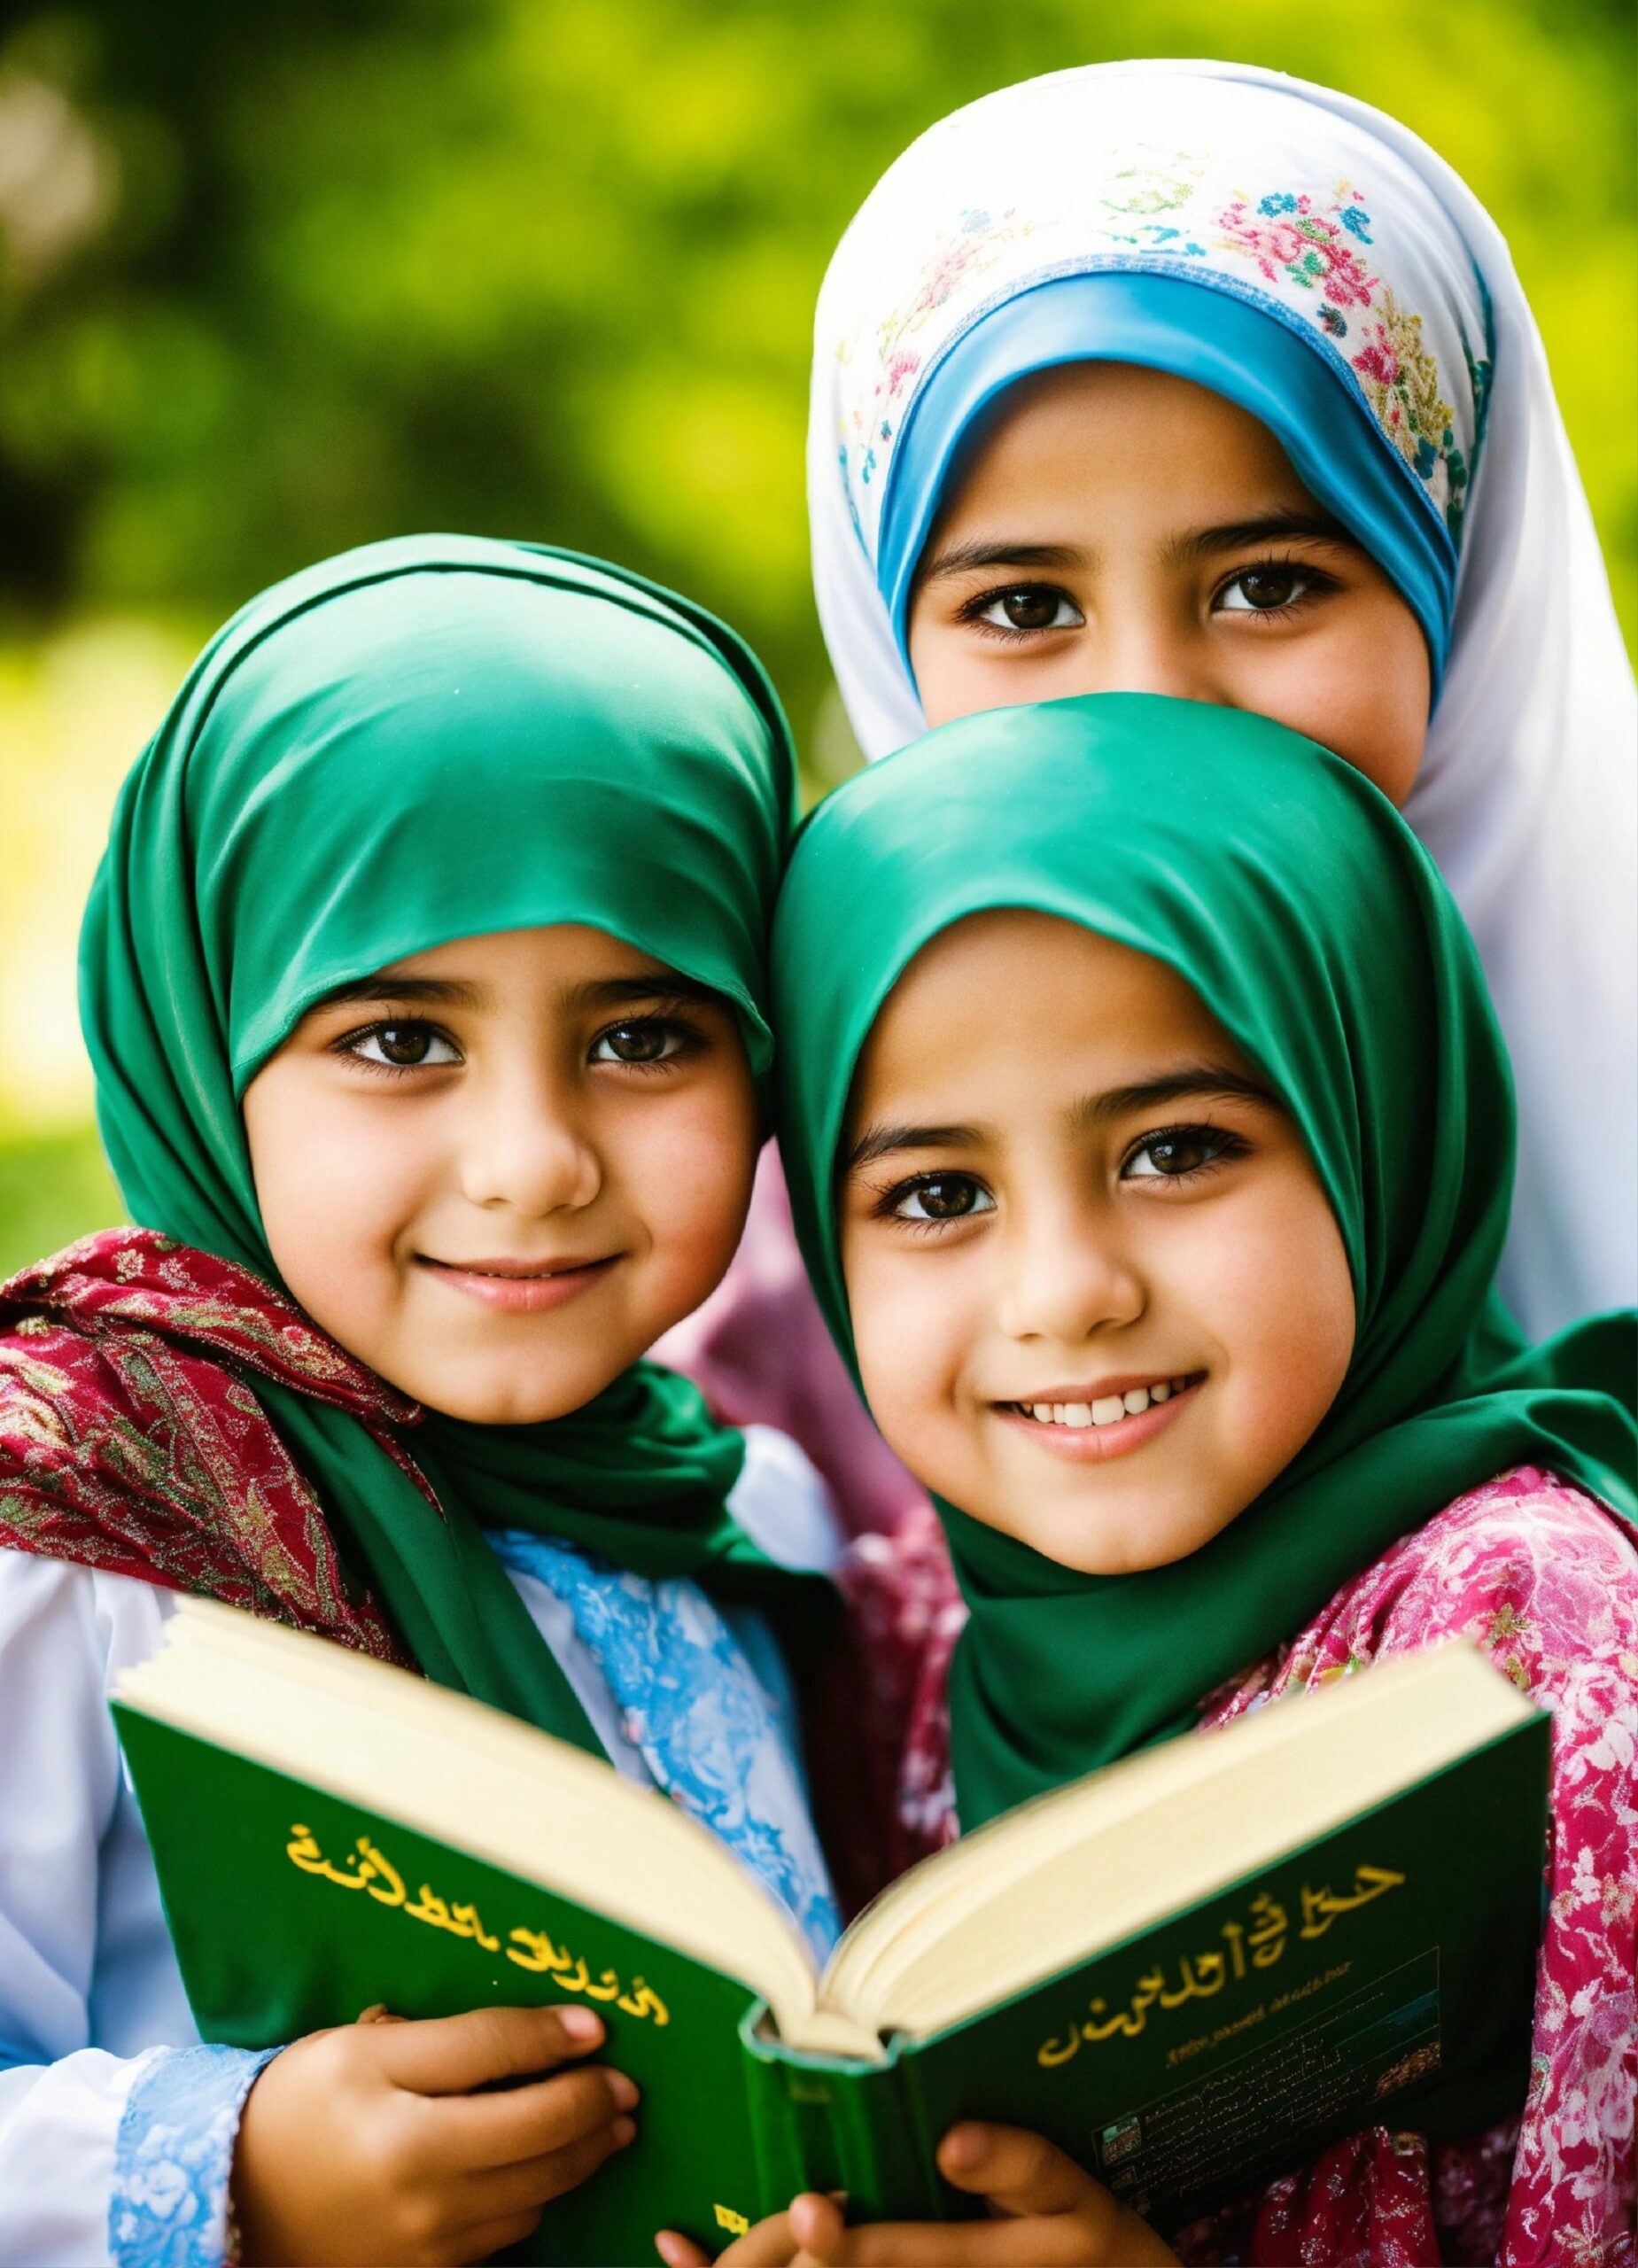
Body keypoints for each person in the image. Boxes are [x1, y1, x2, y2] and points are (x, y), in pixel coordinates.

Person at [0, 537, 845, 2268]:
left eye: (642, 1035)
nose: (531, 1162)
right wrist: (231, 2167)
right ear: (202, 1033)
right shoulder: (71, 1516)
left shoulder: (746, 1509)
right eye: (399, 1038)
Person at [737, 694, 1636, 2267]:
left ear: (1376, 1124)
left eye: (1173, 1151)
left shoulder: (1531, 1640)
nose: (1064, 1290)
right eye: (937, 1193)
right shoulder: (909, 1654)